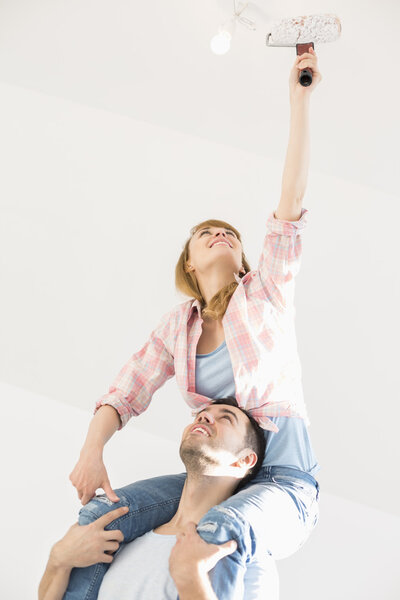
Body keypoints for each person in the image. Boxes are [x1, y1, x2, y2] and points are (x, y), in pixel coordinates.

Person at [66, 48, 322, 599]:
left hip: (279, 482)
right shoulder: (175, 329)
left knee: (215, 532)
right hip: (211, 478)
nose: (220, 234)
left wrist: (300, 100)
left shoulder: (266, 295)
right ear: (189, 262)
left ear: (246, 255)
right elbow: (124, 393)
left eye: (230, 232)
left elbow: (290, 204)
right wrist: (93, 451)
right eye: (206, 232)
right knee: (96, 522)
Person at [39, 398, 278, 600]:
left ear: (244, 461)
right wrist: (58, 559)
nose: (204, 418)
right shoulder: (120, 537)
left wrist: (191, 578)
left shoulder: (249, 558)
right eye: (201, 414)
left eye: (226, 418)